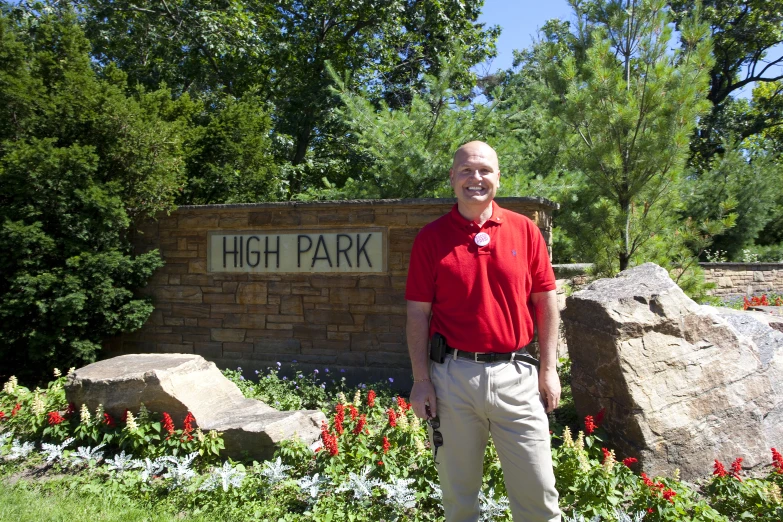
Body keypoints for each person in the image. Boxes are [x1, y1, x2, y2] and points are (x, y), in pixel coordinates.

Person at [405, 141, 561, 522]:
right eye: (466, 171)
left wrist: (549, 369)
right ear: (452, 178)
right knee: (459, 501)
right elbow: (416, 314)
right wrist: (421, 379)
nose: (476, 178)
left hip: (518, 376)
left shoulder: (525, 231)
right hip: (452, 380)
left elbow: (546, 303)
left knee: (539, 496)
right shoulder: (431, 238)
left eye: (485, 170)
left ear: (498, 177)